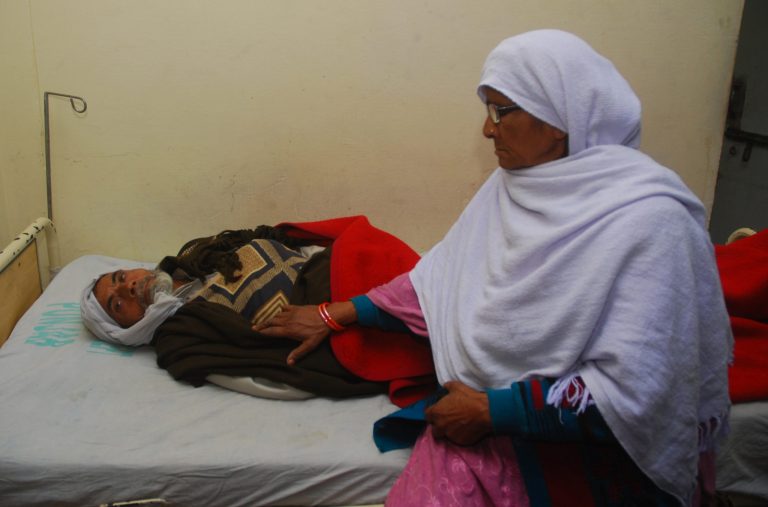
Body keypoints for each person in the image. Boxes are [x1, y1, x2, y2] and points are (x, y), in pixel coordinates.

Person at [255, 30, 732, 506]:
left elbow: (644, 390)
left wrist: (493, 410)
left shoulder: (652, 221)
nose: (487, 130)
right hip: (490, 416)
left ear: (557, 120)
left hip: (594, 459)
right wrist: (336, 313)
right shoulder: (512, 188)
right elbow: (443, 283)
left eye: (502, 111)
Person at [80, 219, 436, 404]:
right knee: (431, 314)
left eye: (121, 276)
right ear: (126, 331)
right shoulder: (183, 339)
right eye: (116, 304)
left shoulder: (197, 259)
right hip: (331, 312)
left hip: (341, 270)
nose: (127, 286)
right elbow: (264, 373)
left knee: (417, 277)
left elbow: (296, 248)